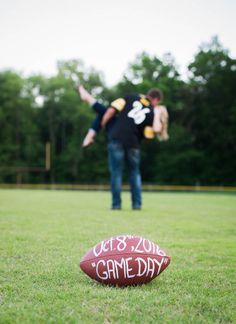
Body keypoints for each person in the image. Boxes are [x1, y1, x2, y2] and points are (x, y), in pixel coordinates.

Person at [78, 86, 169, 210]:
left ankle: (116, 205)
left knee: (116, 173)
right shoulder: (153, 112)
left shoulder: (131, 97)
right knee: (135, 174)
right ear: (157, 100)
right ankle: (136, 205)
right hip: (134, 143)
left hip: (117, 138)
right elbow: (155, 130)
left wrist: (103, 124)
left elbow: (110, 111)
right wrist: (157, 112)